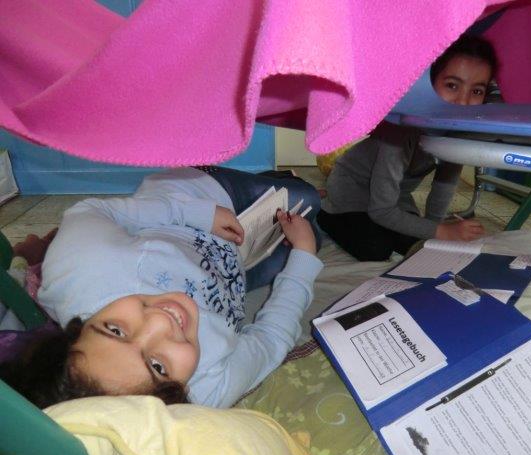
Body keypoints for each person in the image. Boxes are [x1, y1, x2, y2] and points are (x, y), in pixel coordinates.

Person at [0, 167, 323, 409]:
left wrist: (196, 213)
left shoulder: (83, 267)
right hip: (233, 265)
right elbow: (271, 338)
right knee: (312, 238)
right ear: (178, 398)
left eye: (115, 330)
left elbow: (91, 210)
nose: (160, 320)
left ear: (76, 328)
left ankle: (259, 177)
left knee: (306, 196)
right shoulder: (205, 391)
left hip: (195, 199)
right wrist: (305, 255)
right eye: (158, 366)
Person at [317, 35, 497, 261]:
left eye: (477, 91)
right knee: (375, 249)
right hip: (350, 193)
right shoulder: (399, 131)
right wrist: (442, 231)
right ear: (429, 83)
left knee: (415, 242)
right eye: (452, 85)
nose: (463, 101)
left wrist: (436, 231)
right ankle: (322, 212)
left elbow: (443, 189)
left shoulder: (455, 134)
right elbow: (382, 211)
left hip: (393, 198)